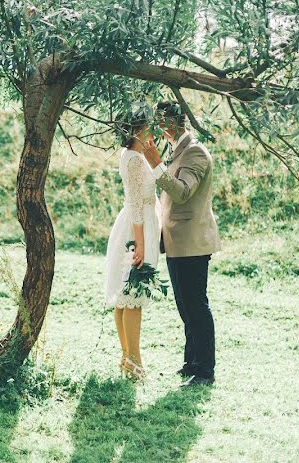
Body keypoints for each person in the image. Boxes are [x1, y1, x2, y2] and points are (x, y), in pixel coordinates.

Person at [142, 101, 220, 387]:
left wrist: (155, 164)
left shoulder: (195, 152)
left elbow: (184, 192)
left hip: (193, 242)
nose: (158, 129)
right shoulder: (178, 152)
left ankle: (205, 371)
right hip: (176, 241)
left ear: (172, 124)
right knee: (185, 307)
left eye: (161, 123)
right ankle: (191, 362)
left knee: (196, 307)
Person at [103, 114, 161, 381]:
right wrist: (140, 242)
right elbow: (137, 202)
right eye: (148, 126)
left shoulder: (129, 155)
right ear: (137, 130)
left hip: (136, 224)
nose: (152, 130)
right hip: (138, 228)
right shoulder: (135, 159)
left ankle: (127, 356)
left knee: (125, 294)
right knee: (133, 294)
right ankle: (134, 360)